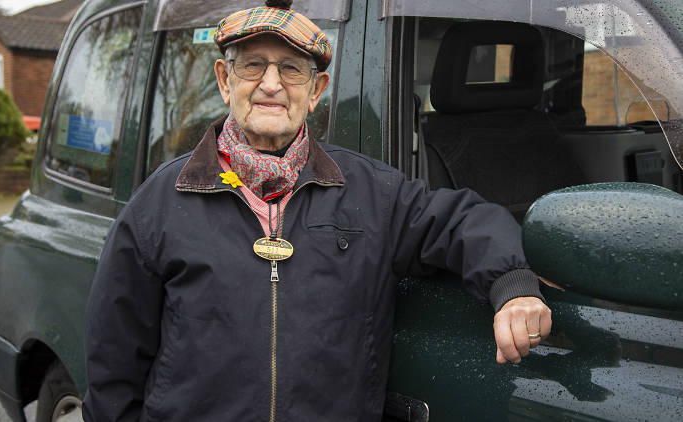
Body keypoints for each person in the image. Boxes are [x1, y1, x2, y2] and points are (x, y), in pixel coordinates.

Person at [82, 1, 552, 420]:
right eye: (252, 66)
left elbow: (464, 220)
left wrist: (511, 287)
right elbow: (114, 360)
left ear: (316, 90)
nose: (271, 84)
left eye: (291, 69)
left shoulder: (373, 194)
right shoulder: (163, 200)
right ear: (226, 82)